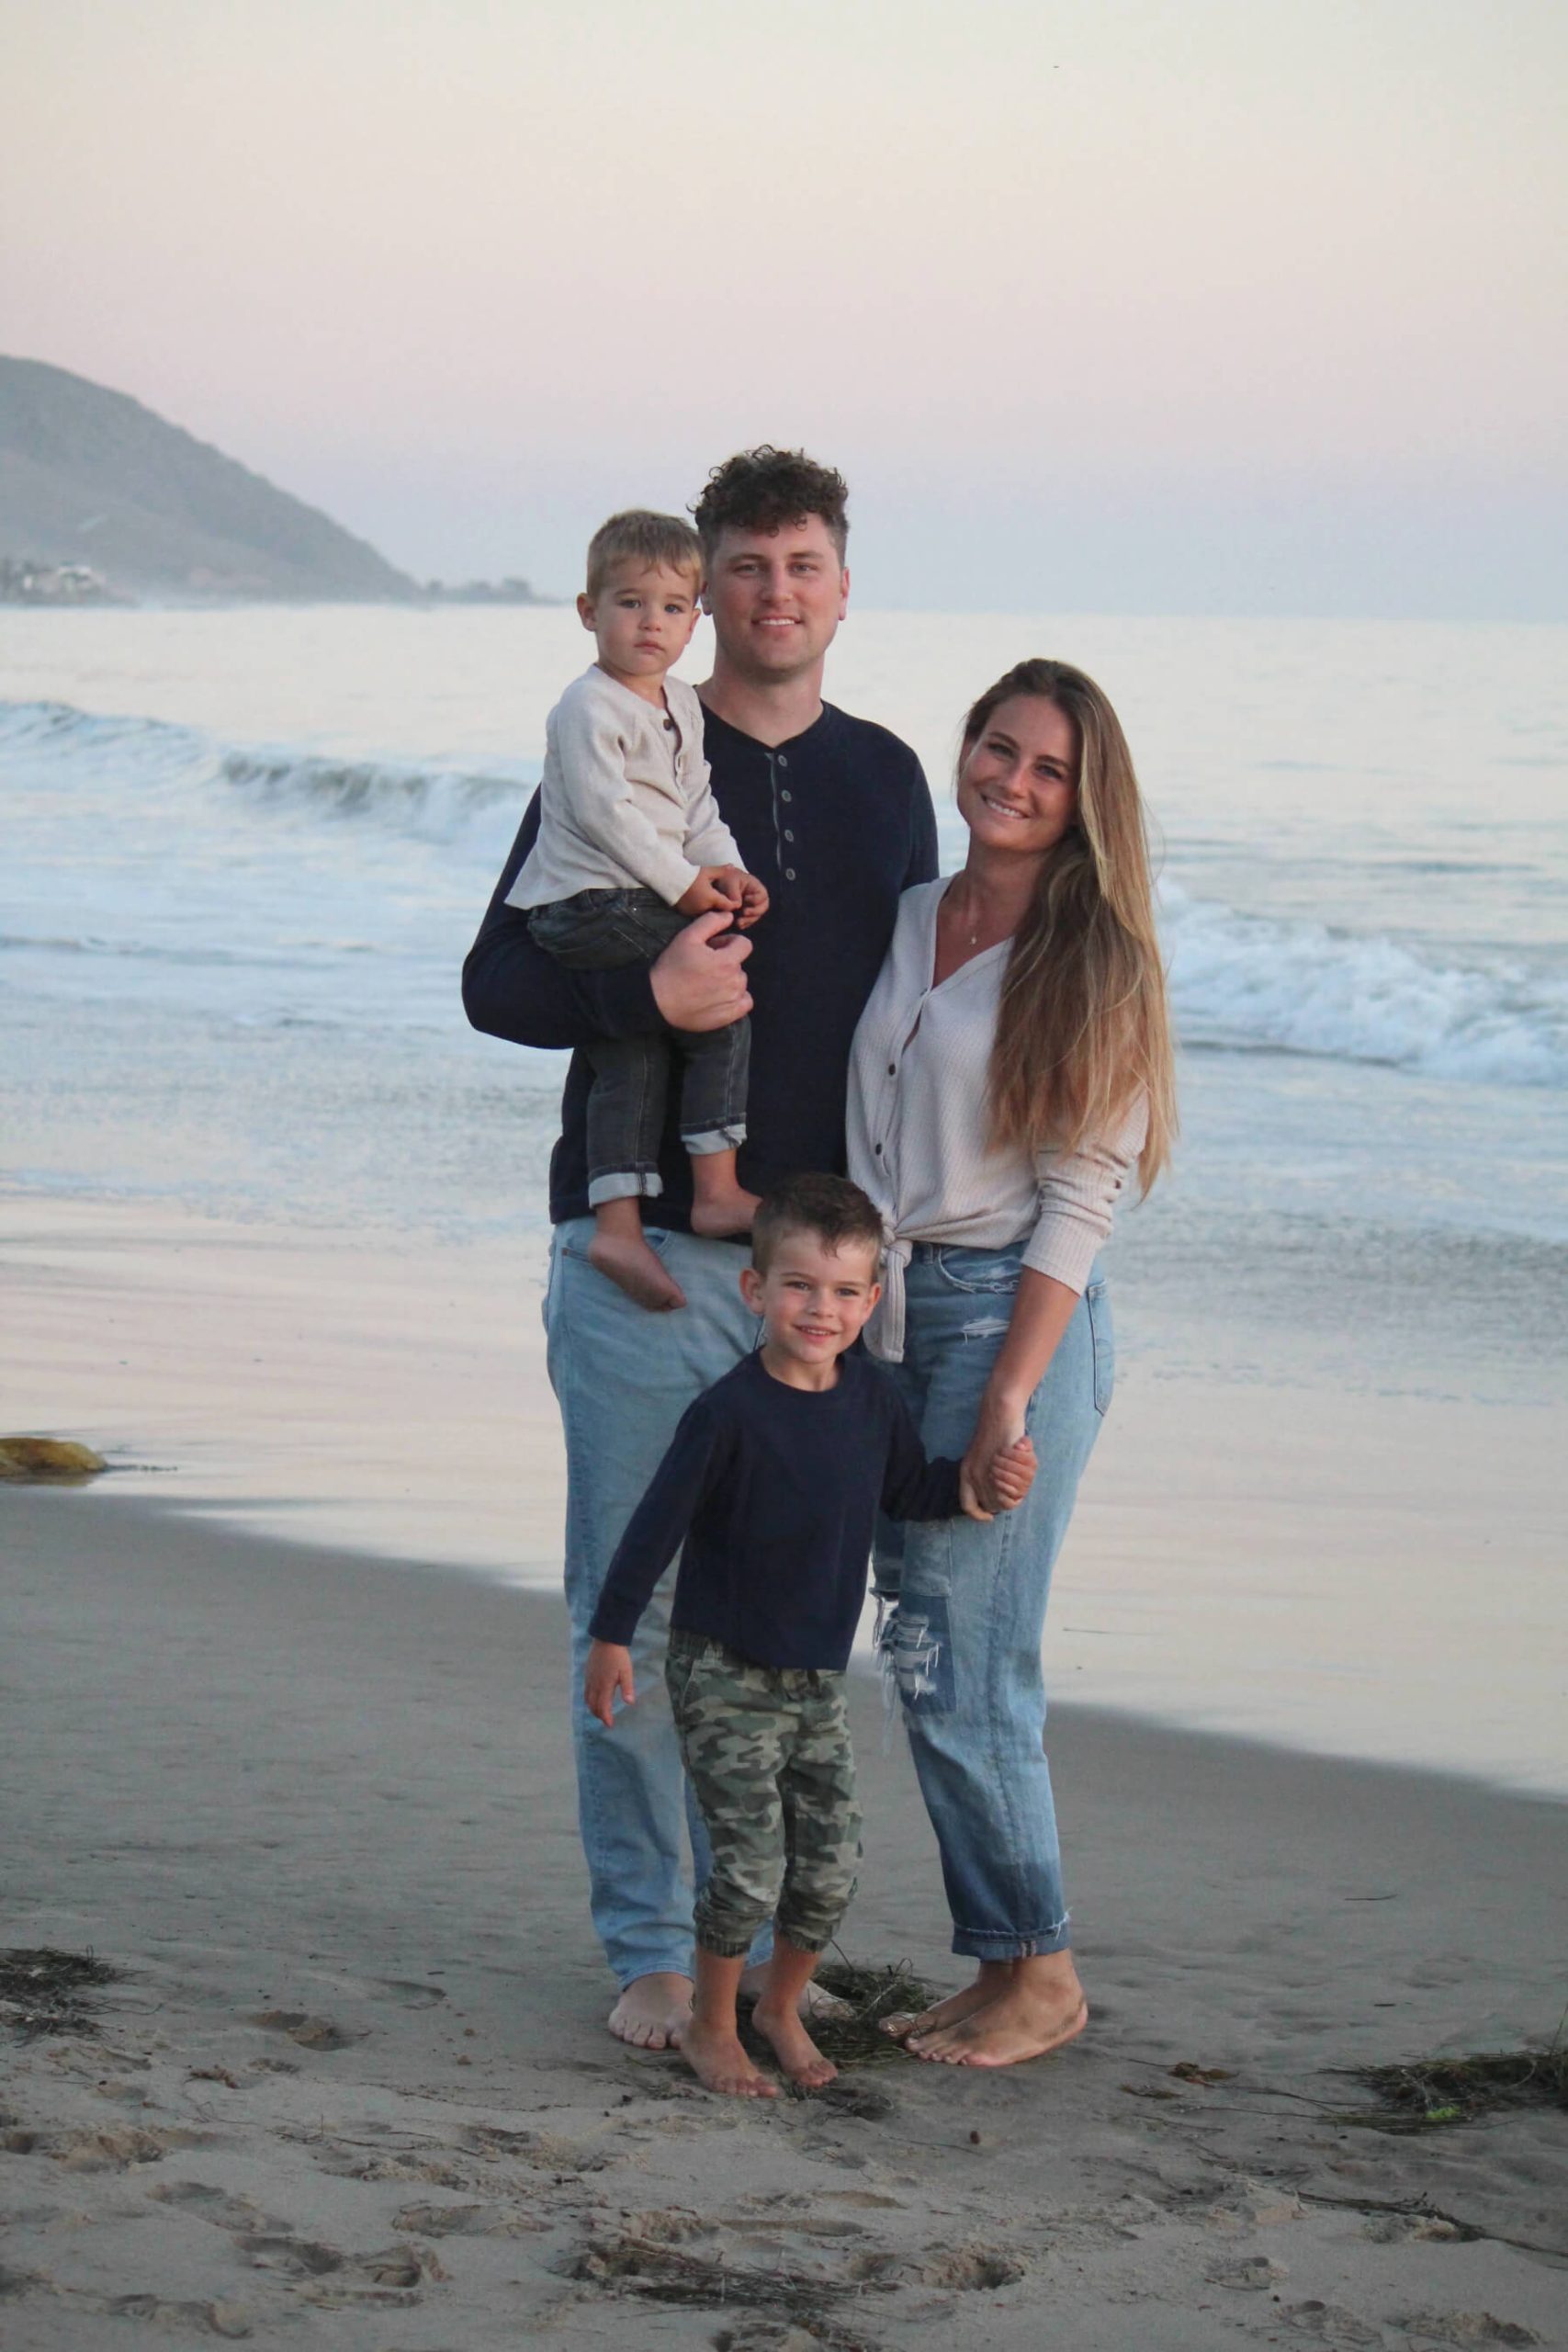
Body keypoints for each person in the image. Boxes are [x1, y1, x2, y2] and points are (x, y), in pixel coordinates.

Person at [462, 447, 938, 2051]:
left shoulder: (886, 779)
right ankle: (649, 1948)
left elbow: (915, 1024)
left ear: (842, 585)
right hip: (645, 1260)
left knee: (787, 1629)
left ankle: (752, 1955)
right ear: (695, 587)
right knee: (634, 1605)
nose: (770, 594)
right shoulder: (623, 733)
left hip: (817, 1291)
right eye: (742, 567)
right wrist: (637, 1000)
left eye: (801, 565)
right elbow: (496, 983)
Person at [847, 658, 1177, 2069]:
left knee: (961, 1653)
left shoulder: (1088, 958)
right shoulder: (919, 911)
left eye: (1045, 769)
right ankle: (999, 1961)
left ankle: (1040, 1973)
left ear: (1081, 798)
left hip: (1010, 1321)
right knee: (923, 1647)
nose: (1010, 782)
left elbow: (1079, 1197)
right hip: (898, 1312)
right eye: (996, 748)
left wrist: (1002, 1395)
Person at [582, 1174, 1035, 2098]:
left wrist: (976, 1485)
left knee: (829, 1867)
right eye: (798, 1286)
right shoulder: (726, 1414)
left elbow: (908, 1492)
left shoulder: (870, 1399)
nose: (819, 1308)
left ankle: (777, 2004)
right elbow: (650, 1531)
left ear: (870, 1303)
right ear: (757, 1292)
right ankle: (714, 2023)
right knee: (747, 1867)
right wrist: (612, 1637)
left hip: (813, 1683)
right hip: (724, 1669)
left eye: (841, 1292)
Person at [509, 511, 770, 1313]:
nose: (649, 624)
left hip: (634, 893)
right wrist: (688, 893)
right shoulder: (586, 707)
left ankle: (615, 1224)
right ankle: (718, 1187)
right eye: (628, 604)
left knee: (633, 1051)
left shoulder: (681, 706)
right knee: (719, 994)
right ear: (589, 612)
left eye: (669, 608)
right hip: (585, 902)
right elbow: (607, 817)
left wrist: (724, 869)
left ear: (697, 619)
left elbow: (693, 804)